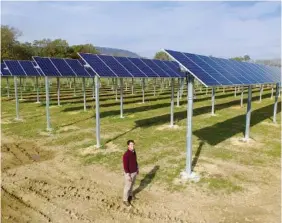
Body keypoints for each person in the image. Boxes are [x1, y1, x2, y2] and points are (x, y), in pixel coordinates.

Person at [122, 140, 139, 206]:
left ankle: (130, 196)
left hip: (134, 172)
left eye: (133, 144)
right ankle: (125, 200)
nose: (132, 146)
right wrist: (128, 175)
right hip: (129, 174)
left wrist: (137, 168)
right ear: (128, 146)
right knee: (127, 187)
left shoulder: (134, 152)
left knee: (132, 185)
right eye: (131, 145)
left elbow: (135, 161)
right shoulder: (126, 155)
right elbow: (125, 166)